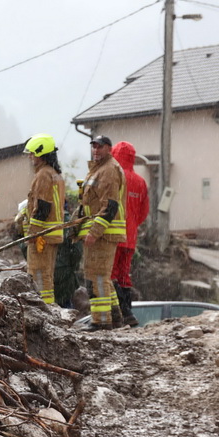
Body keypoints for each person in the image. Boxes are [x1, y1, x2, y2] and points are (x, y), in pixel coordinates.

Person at [76, 135, 127, 330]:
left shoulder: (108, 171)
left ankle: (101, 321)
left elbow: (110, 205)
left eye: (100, 147)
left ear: (109, 149)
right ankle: (114, 318)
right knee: (101, 277)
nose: (96, 150)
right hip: (100, 232)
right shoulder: (99, 170)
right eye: (94, 147)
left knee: (96, 276)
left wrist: (94, 232)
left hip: (103, 234)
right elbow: (89, 203)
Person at [20, 134, 66, 304]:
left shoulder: (43, 175)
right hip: (51, 234)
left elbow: (43, 207)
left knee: (38, 274)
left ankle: (43, 309)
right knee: (46, 275)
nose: (30, 157)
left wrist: (33, 233)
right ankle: (48, 308)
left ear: (42, 153)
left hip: (42, 236)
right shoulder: (55, 174)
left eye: (33, 153)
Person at [110, 141, 150, 326]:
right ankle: (128, 312)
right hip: (130, 237)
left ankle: (121, 311)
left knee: (110, 274)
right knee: (124, 275)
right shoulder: (140, 181)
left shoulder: (114, 176)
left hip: (113, 234)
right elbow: (143, 212)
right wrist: (132, 225)